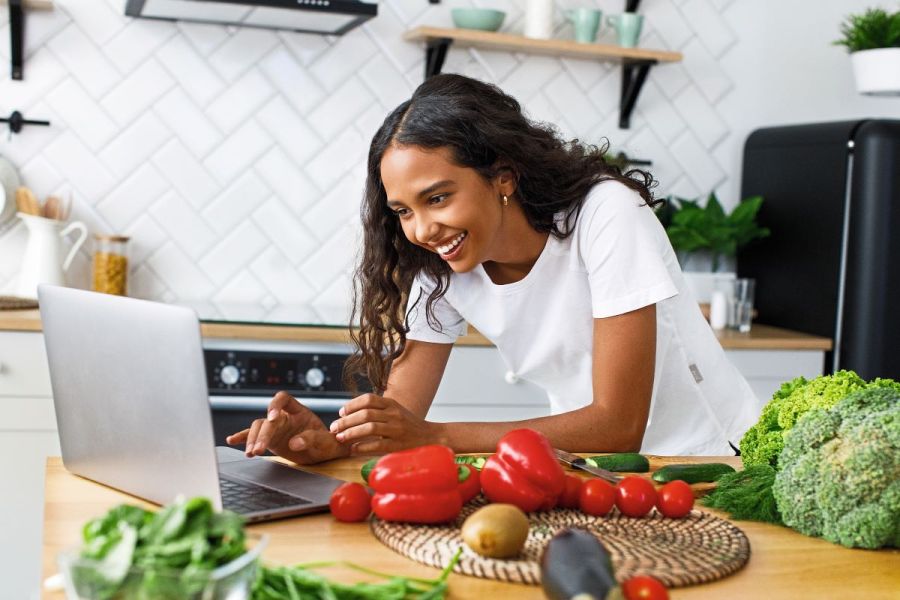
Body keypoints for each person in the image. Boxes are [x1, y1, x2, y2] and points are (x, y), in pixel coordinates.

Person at [226, 74, 757, 464]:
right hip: (595, 466)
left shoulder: (607, 214)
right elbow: (400, 420)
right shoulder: (441, 264)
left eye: (437, 197)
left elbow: (619, 423)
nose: (422, 229)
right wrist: (323, 443)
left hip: (708, 460)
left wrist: (438, 437)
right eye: (404, 211)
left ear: (502, 176)